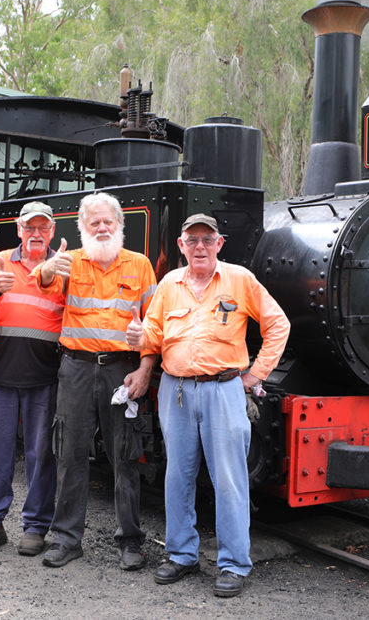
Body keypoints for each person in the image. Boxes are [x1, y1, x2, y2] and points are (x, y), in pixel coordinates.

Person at [126, 213, 290, 598]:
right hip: (176, 389)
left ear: (219, 244)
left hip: (224, 390)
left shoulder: (240, 280)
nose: (199, 246)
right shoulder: (169, 283)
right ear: (181, 246)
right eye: (192, 240)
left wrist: (255, 375)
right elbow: (153, 332)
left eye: (207, 240)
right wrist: (138, 335)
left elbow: (277, 324)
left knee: (229, 479)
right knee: (176, 475)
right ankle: (181, 554)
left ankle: (234, 563)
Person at [34, 191, 157, 571]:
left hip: (123, 369)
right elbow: (42, 282)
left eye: (108, 222)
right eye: (94, 222)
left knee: (125, 455)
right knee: (69, 453)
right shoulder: (68, 263)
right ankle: (67, 539)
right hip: (76, 368)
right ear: (83, 227)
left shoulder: (140, 266)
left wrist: (146, 368)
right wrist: (50, 268)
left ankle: (130, 541)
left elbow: (155, 326)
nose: (102, 227)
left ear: (120, 225)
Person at [0, 201, 65, 557]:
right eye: (30, 228)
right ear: (18, 229)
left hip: (45, 374)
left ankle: (36, 527)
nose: (36, 234)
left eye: (43, 228)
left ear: (52, 231)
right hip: (2, 372)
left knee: (42, 454)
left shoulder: (62, 267)